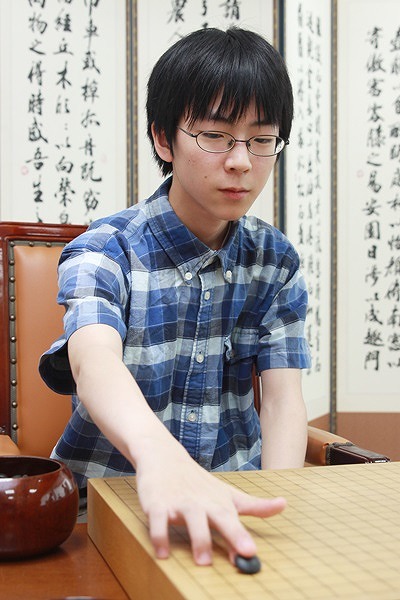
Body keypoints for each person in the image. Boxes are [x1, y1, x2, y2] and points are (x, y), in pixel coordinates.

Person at [40, 26, 311, 567]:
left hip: (231, 509)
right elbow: (94, 363)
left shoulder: (275, 261)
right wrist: (161, 458)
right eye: (215, 135)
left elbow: (283, 399)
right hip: (106, 513)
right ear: (164, 139)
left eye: (261, 140)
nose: (241, 161)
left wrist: (275, 505)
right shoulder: (106, 250)